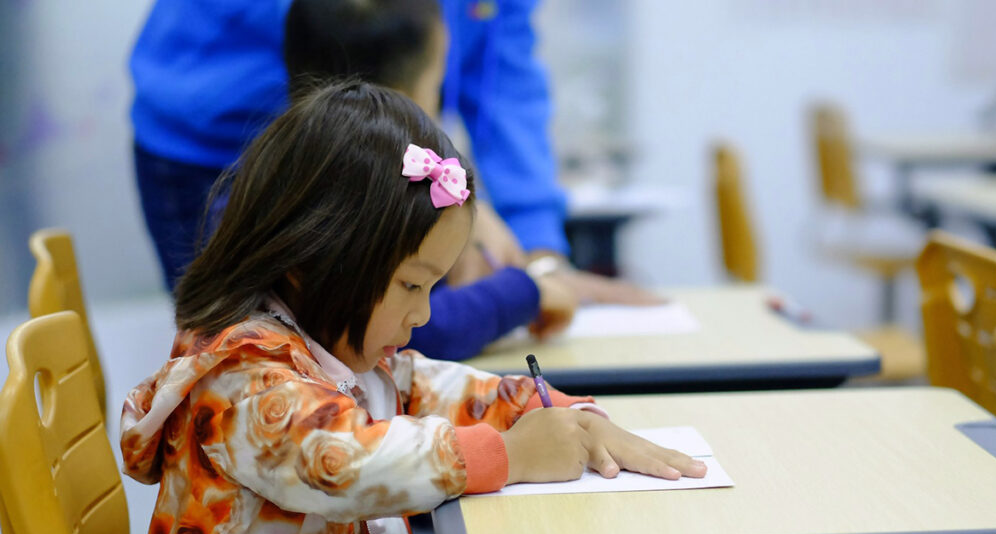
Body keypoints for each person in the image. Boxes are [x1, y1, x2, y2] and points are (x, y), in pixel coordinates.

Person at [120, 81, 706, 534]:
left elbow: (424, 386)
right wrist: (506, 454)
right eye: (411, 286)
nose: (423, 314)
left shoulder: (335, 352)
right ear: (311, 258)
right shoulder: (242, 378)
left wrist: (548, 409)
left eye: (433, 287)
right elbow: (342, 461)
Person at [129, 0, 656, 304]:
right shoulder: (349, 71)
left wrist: (538, 254)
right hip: (232, 144)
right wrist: (523, 292)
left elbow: (502, 75)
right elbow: (403, 336)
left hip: (366, 136)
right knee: (266, 362)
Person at [283, 0, 577, 361]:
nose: (419, 313)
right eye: (436, 87)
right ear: (404, 100)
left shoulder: (283, 171)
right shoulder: (354, 201)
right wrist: (528, 292)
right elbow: (419, 334)